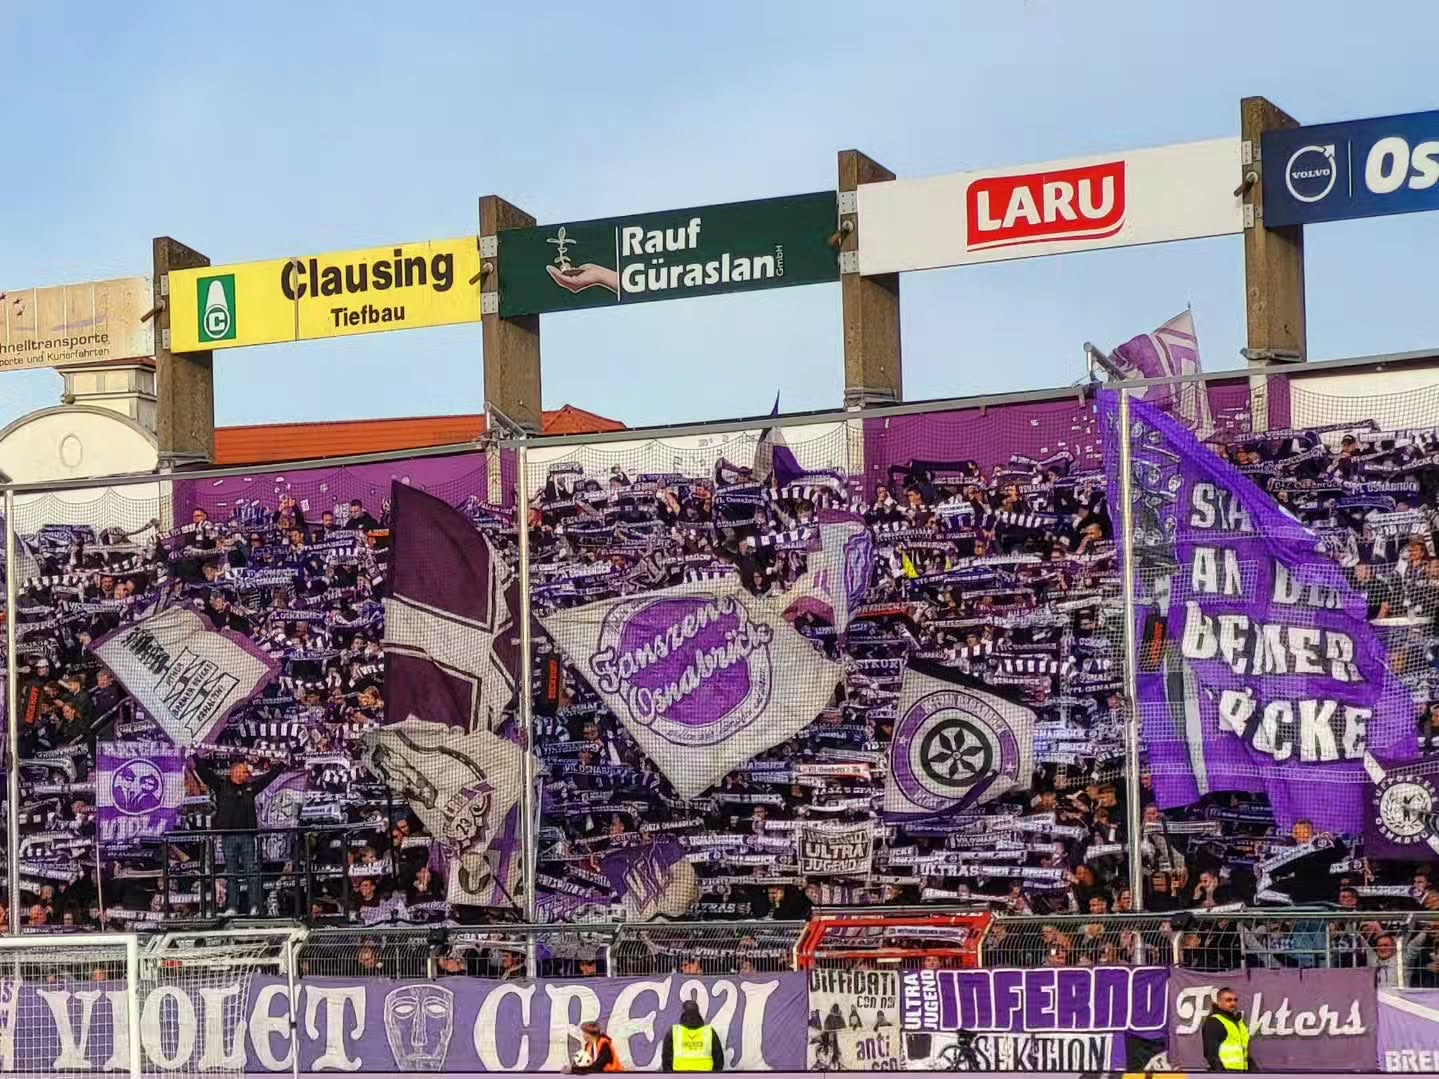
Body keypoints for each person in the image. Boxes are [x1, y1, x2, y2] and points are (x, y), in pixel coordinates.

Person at [192, 754, 283, 916]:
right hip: (228, 837)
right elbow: (205, 774)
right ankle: (232, 906)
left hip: (247, 835)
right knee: (231, 872)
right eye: (243, 772)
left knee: (251, 871)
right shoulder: (221, 786)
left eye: (246, 773)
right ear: (234, 772)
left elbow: (267, 779)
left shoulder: (250, 788)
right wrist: (195, 757)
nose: (246, 775)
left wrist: (281, 766)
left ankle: (255, 906)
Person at [663, 999, 724, 1072]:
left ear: (683, 1014)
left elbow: (666, 1059)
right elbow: (719, 1060)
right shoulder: (709, 1031)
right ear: (698, 1014)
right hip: (705, 1075)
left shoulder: (674, 1031)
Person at [1202, 986, 1251, 1072]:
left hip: (1242, 1072)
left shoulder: (1239, 1023)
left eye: (1235, 1000)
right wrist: (1223, 1074)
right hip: (1225, 1073)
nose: (1233, 1003)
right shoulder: (1215, 1021)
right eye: (1228, 1000)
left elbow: (1245, 1053)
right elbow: (1211, 1054)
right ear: (1219, 1002)